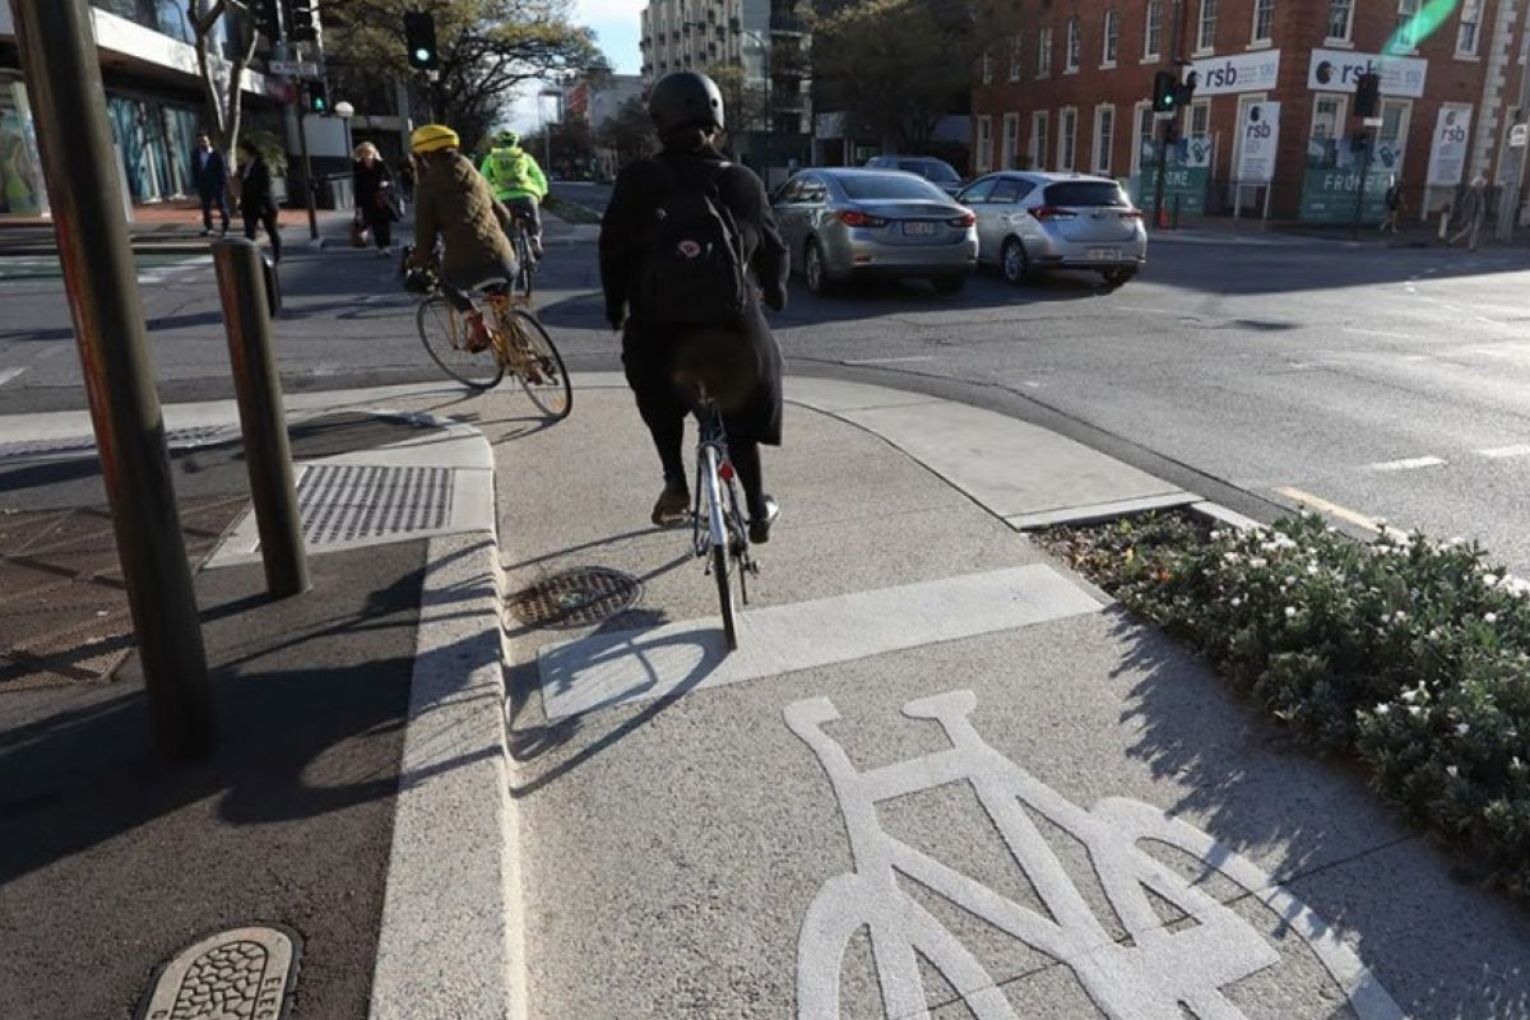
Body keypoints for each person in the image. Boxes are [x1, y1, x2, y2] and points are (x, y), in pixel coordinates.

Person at [599, 71, 788, 541]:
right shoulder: (743, 180)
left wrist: (615, 309)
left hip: (658, 332)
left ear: (659, 123)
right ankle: (757, 512)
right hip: (732, 330)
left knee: (657, 398)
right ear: (717, 120)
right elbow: (774, 250)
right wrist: (776, 291)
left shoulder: (638, 179)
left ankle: (675, 480)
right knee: (739, 412)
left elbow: (613, 253)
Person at [404, 124, 521, 355]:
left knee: (447, 282)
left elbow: (425, 236)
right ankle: (523, 355)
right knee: (504, 310)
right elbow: (504, 216)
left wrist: (418, 263)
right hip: (503, 258)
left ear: (425, 155)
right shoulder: (476, 174)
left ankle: (477, 326)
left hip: (465, 266)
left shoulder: (427, 187)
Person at [480, 130, 548, 259]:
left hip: (502, 199)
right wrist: (541, 194)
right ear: (516, 142)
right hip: (526, 195)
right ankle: (534, 238)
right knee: (534, 222)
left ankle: (510, 251)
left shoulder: (491, 158)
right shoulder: (525, 157)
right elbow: (539, 177)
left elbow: (482, 180)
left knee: (506, 228)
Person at [235, 140, 280, 263]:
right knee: (249, 233)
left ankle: (277, 255)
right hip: (249, 205)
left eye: (242, 152)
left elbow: (265, 186)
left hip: (264, 204)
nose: (240, 155)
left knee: (271, 230)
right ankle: (250, 259)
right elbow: (242, 185)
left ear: (248, 152)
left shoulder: (262, 166)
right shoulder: (242, 168)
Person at [352, 142, 398, 257]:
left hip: (382, 198)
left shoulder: (381, 164)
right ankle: (380, 248)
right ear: (360, 154)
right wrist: (358, 208)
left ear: (373, 153)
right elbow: (357, 187)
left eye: (369, 153)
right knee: (375, 224)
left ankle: (386, 247)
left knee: (384, 224)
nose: (367, 156)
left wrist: (386, 183)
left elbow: (392, 180)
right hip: (367, 200)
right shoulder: (359, 167)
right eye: (364, 153)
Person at [190, 132, 229, 237]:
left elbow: (222, 170)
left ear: (209, 141)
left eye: (205, 141)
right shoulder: (195, 154)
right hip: (203, 185)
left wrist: (222, 183)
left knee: (221, 205)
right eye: (200, 141)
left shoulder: (216, 154)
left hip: (216, 184)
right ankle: (209, 227)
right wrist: (196, 183)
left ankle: (225, 227)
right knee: (206, 207)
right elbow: (194, 170)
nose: (203, 143)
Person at [1451, 175, 1488, 251]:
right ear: (1475, 184)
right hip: (1472, 215)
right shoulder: (1471, 192)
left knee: (1468, 231)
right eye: (1479, 183)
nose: (1480, 185)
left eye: (1481, 183)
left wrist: (1482, 213)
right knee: (1473, 231)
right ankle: (1471, 246)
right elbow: (1464, 203)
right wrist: (1465, 215)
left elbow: (1482, 204)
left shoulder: (1481, 193)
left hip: (1478, 215)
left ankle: (1452, 241)